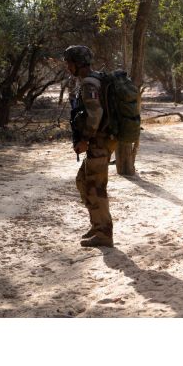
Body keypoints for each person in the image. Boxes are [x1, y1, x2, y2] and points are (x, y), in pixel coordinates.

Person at [64, 45, 118, 248]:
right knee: (83, 181)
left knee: (96, 186)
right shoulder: (95, 79)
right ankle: (98, 226)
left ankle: (104, 233)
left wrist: (85, 139)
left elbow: (95, 115)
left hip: (98, 142)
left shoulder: (90, 84)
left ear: (78, 63)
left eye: (69, 63)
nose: (68, 67)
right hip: (100, 142)